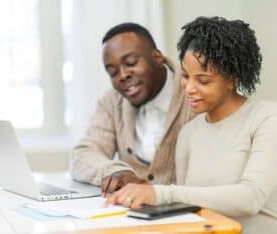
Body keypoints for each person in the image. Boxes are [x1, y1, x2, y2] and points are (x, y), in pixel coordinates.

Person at [106, 17, 277, 233]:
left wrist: (160, 193)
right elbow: (188, 206)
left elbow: (250, 198)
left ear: (232, 79)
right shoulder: (189, 133)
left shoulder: (268, 118)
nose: (189, 88)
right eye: (185, 76)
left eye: (203, 81)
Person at [71, 23, 193, 195]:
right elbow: (83, 155)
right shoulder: (112, 101)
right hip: (134, 215)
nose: (122, 75)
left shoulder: (194, 89)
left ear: (158, 58)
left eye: (130, 63)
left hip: (192, 213)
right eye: (113, 72)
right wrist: (114, 170)